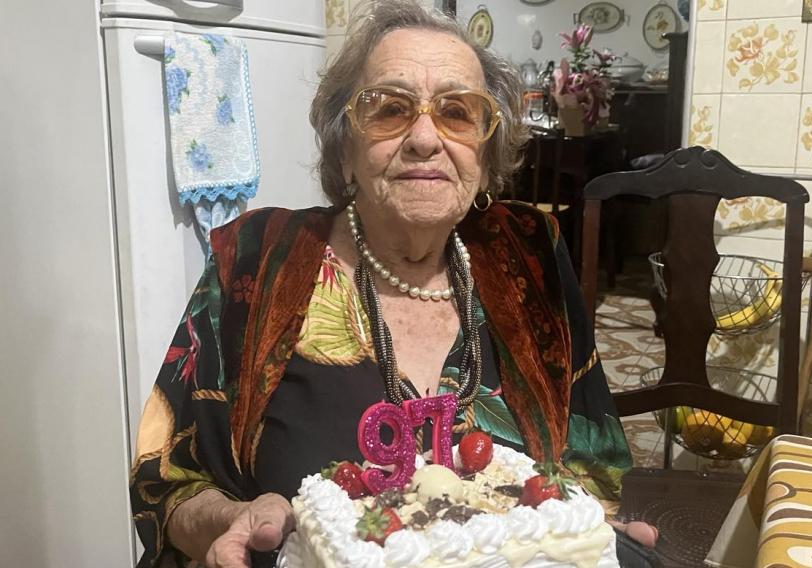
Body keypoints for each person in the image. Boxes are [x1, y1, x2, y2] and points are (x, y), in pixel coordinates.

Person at [129, 2, 643, 567]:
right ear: (345, 149)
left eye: (457, 112)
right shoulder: (257, 257)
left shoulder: (531, 251)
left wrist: (590, 538)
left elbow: (593, 468)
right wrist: (229, 519)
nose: (424, 138)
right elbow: (165, 484)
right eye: (390, 109)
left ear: (485, 153)